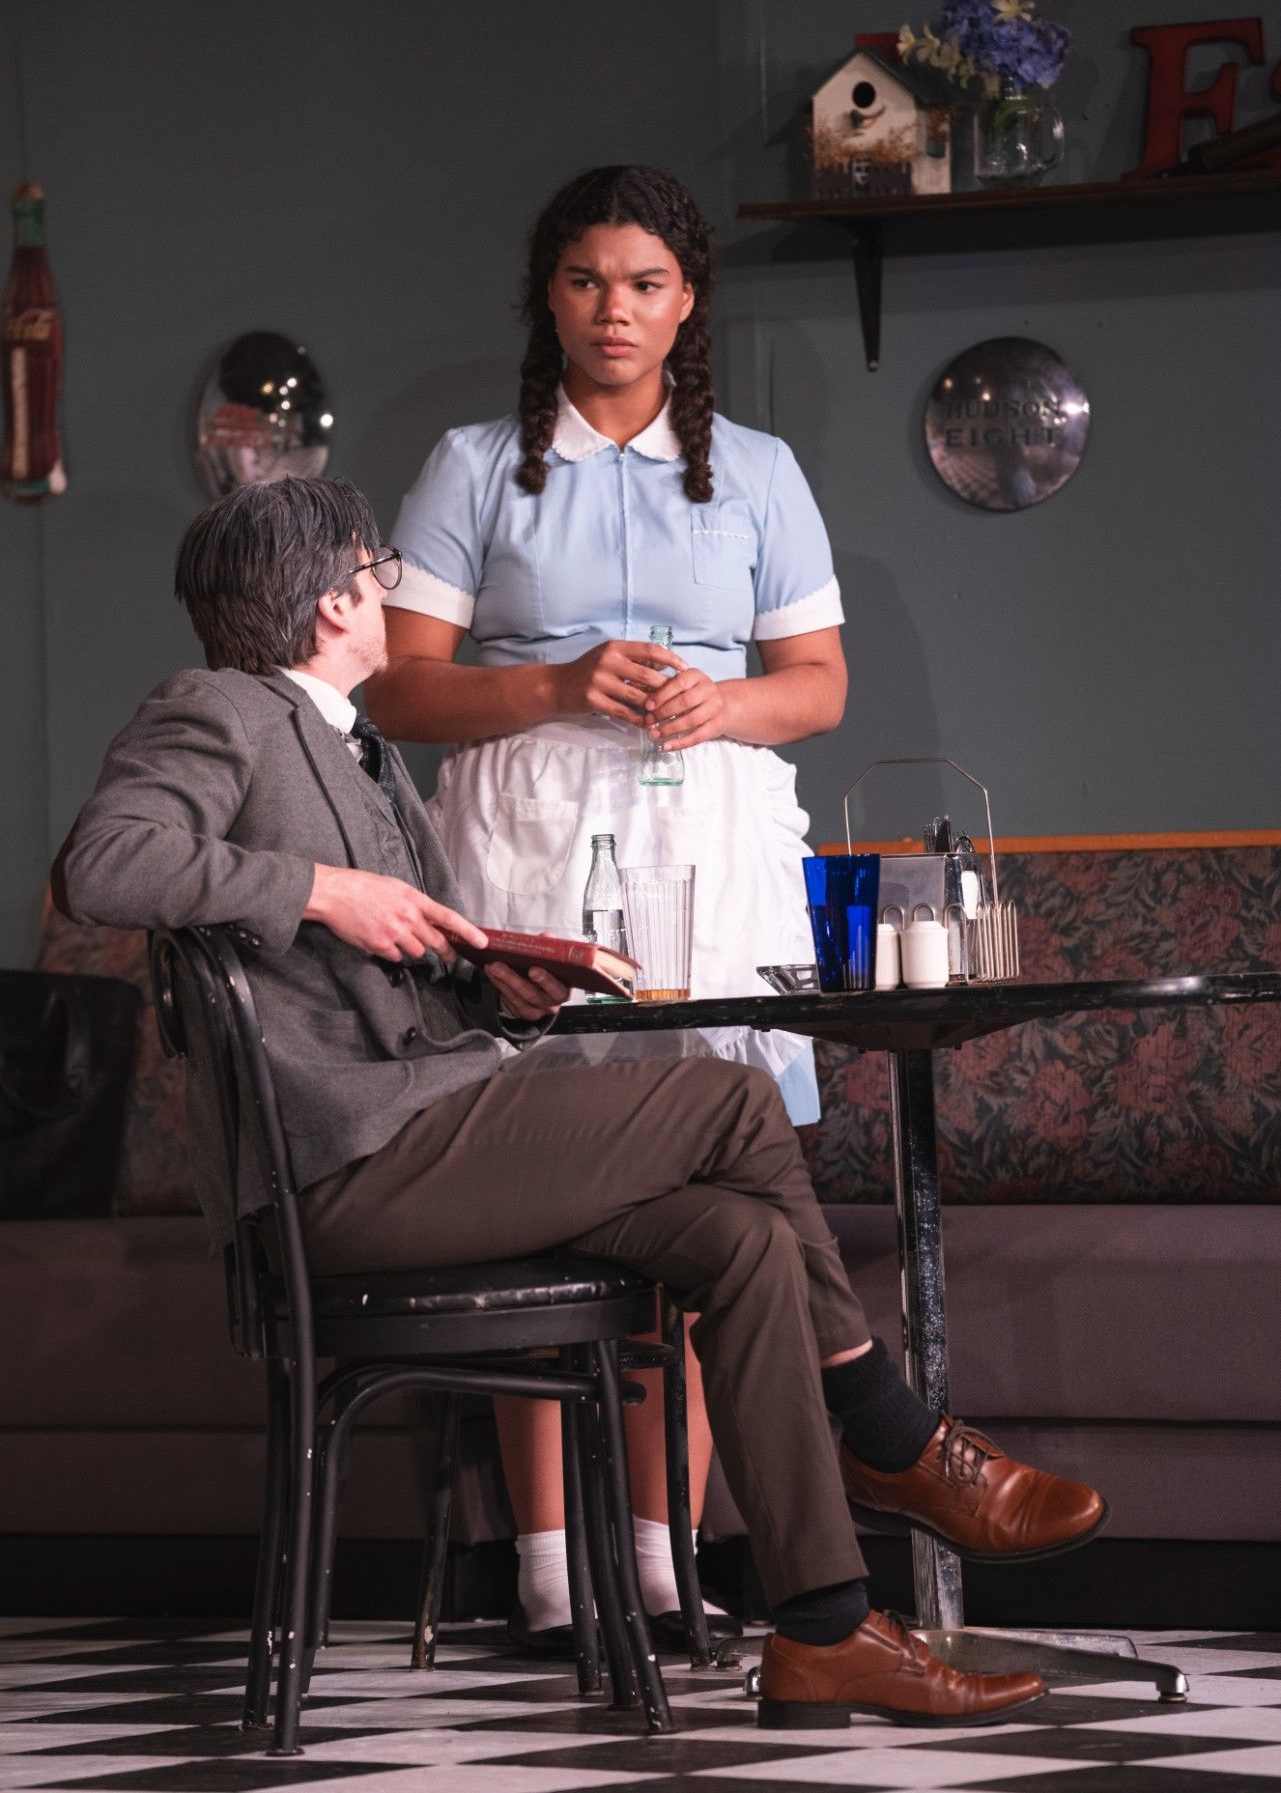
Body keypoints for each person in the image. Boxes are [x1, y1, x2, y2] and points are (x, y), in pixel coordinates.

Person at [54, 476, 1108, 1731]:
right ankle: (892, 1432)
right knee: (731, 1099)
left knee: (742, 1237)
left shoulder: (360, 748)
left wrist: (498, 983)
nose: (386, 593)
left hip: (425, 1129)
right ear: (335, 601)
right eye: (375, 574)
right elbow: (102, 865)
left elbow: (397, 983)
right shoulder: (218, 708)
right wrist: (326, 892)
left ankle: (824, 1631)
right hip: (344, 1167)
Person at [363, 163, 847, 1643]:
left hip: (711, 841)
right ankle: (545, 1567)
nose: (613, 311)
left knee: (706, 1194)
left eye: (644, 284)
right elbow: (397, 688)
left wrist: (725, 704)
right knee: (537, 1189)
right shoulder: (471, 465)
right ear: (549, 297)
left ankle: (663, 1560)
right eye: (585, 281)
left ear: (686, 301)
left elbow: (819, 686)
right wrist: (559, 684)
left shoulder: (757, 469)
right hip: (527, 841)